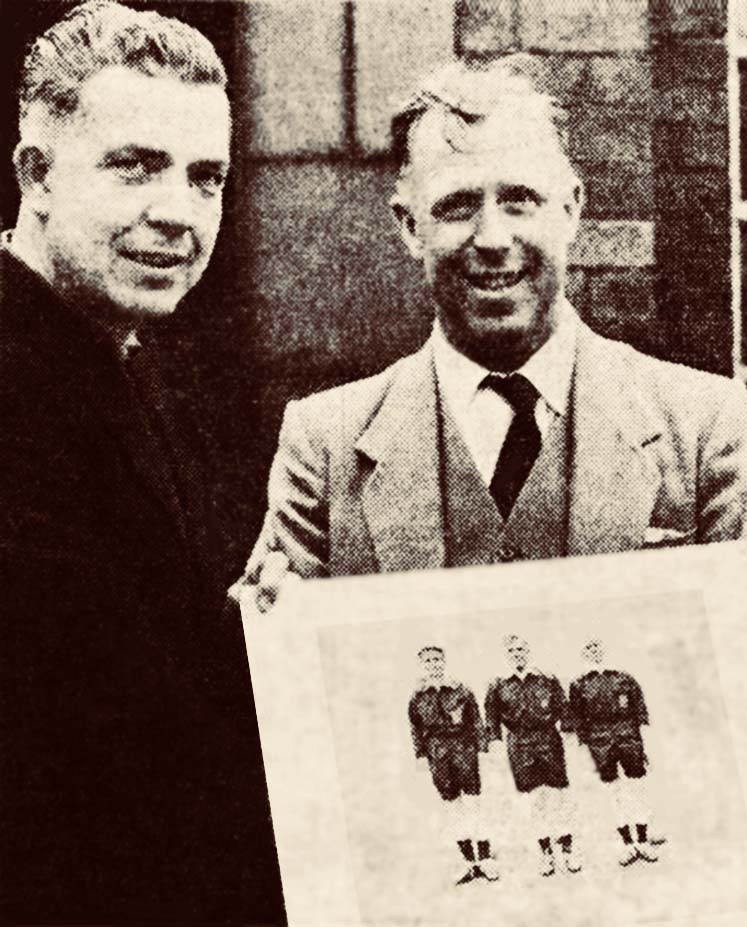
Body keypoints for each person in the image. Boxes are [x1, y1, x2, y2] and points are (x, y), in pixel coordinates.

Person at [234, 55, 747, 624]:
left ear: (572, 209)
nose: (493, 237)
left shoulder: (702, 428)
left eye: (520, 201)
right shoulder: (325, 448)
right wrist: (270, 637)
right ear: (409, 226)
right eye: (457, 206)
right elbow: (297, 694)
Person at [0, 2, 283, 920]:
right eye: (135, 168)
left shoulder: (143, 365)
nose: (177, 212)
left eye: (207, 179)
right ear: (35, 175)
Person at [484, 635, 579, 876]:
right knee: (534, 801)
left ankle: (568, 850)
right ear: (507, 655)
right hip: (519, 745)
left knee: (559, 797)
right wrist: (494, 745)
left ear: (528, 651)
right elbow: (492, 719)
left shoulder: (546, 678)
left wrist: (567, 733)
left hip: (549, 740)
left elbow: (564, 708)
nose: (517, 654)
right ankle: (546, 853)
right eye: (512, 651)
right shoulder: (498, 684)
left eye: (521, 649)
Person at [408, 645, 498, 885]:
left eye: (437, 660)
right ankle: (468, 862)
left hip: (464, 751)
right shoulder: (417, 696)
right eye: (428, 661)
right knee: (453, 807)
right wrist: (421, 757)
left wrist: (483, 750)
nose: (433, 664)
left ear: (444, 661)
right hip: (438, 756)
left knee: (475, 804)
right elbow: (416, 729)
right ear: (422, 666)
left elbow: (476, 722)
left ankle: (486, 858)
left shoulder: (461, 689)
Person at [567, 638, 659, 866]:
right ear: (583, 654)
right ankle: (627, 844)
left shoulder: (623, 678)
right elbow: (577, 719)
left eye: (596, 647)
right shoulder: (579, 684)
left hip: (629, 739)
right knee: (615, 792)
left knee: (637, 788)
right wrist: (586, 747)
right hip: (600, 743)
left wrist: (642, 744)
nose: (593, 652)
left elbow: (640, 710)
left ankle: (644, 840)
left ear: (603, 650)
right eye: (588, 648)